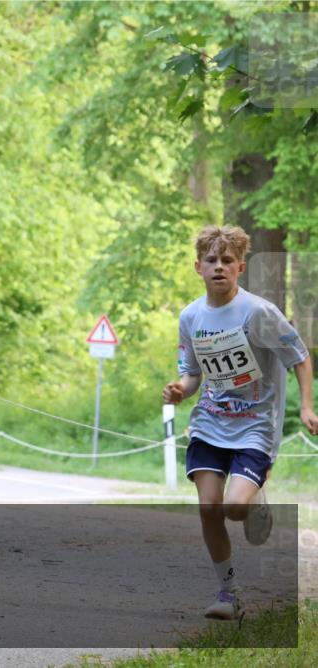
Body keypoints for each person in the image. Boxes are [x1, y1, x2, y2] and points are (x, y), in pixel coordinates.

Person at [162, 225, 317, 621]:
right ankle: (228, 592)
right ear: (197, 267)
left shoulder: (259, 312)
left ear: (240, 268)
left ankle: (254, 497)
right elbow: (192, 373)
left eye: (227, 261)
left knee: (233, 508)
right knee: (210, 508)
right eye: (211, 260)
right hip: (210, 423)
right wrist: (181, 389)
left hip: (254, 426)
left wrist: (306, 408)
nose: (219, 267)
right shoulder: (190, 316)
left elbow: (299, 356)